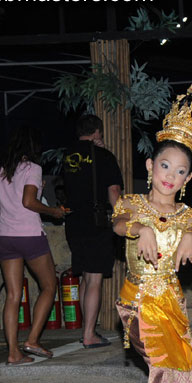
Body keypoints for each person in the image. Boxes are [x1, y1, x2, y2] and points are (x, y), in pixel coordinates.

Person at [111, 63, 192, 383]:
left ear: (188, 178)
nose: (171, 175)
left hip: (172, 303)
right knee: (164, 369)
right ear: (150, 166)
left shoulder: (189, 214)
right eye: (165, 166)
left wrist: (191, 236)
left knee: (182, 371)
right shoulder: (133, 205)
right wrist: (140, 229)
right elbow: (118, 225)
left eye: (181, 171)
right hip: (137, 302)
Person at [0, 127, 66, 365]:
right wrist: (53, 211)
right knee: (49, 286)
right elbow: (29, 201)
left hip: (6, 236)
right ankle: (32, 340)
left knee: (13, 295)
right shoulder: (33, 168)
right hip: (30, 235)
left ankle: (13, 353)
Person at [62, 114, 123, 348]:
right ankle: (89, 334)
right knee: (95, 277)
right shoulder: (104, 156)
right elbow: (113, 191)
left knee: (86, 277)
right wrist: (123, 219)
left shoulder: (68, 155)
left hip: (73, 221)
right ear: (97, 132)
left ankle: (87, 328)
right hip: (96, 221)